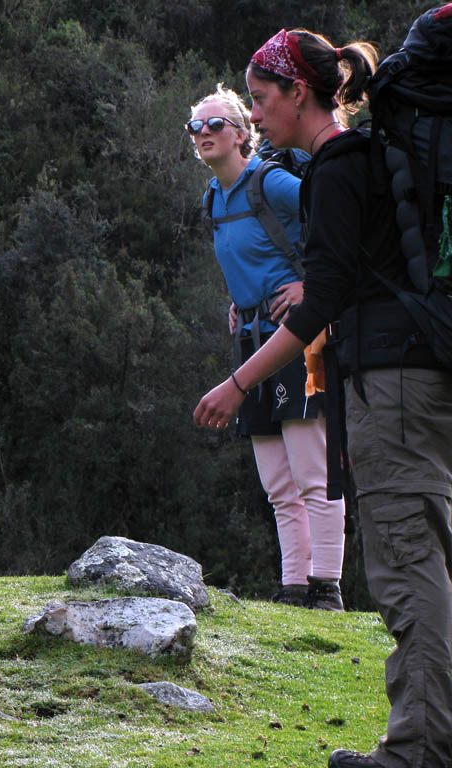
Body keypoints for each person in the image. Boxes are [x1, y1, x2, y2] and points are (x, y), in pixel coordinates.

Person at [193, 27, 452, 768]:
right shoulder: (368, 159)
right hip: (423, 369)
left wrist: (238, 381)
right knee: (429, 557)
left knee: (407, 567)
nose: (255, 113)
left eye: (261, 98)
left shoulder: (337, 168)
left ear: (297, 93)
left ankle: (420, 751)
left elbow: (318, 304)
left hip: (393, 386)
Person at [188, 84, 345, 610]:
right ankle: (294, 588)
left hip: (302, 338)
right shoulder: (213, 197)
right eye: (196, 127)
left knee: (311, 468)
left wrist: (309, 286)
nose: (204, 134)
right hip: (250, 338)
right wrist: (241, 300)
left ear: (241, 134)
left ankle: (327, 587)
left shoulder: (272, 182)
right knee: (278, 480)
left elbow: (333, 224)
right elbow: (243, 257)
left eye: (215, 124)